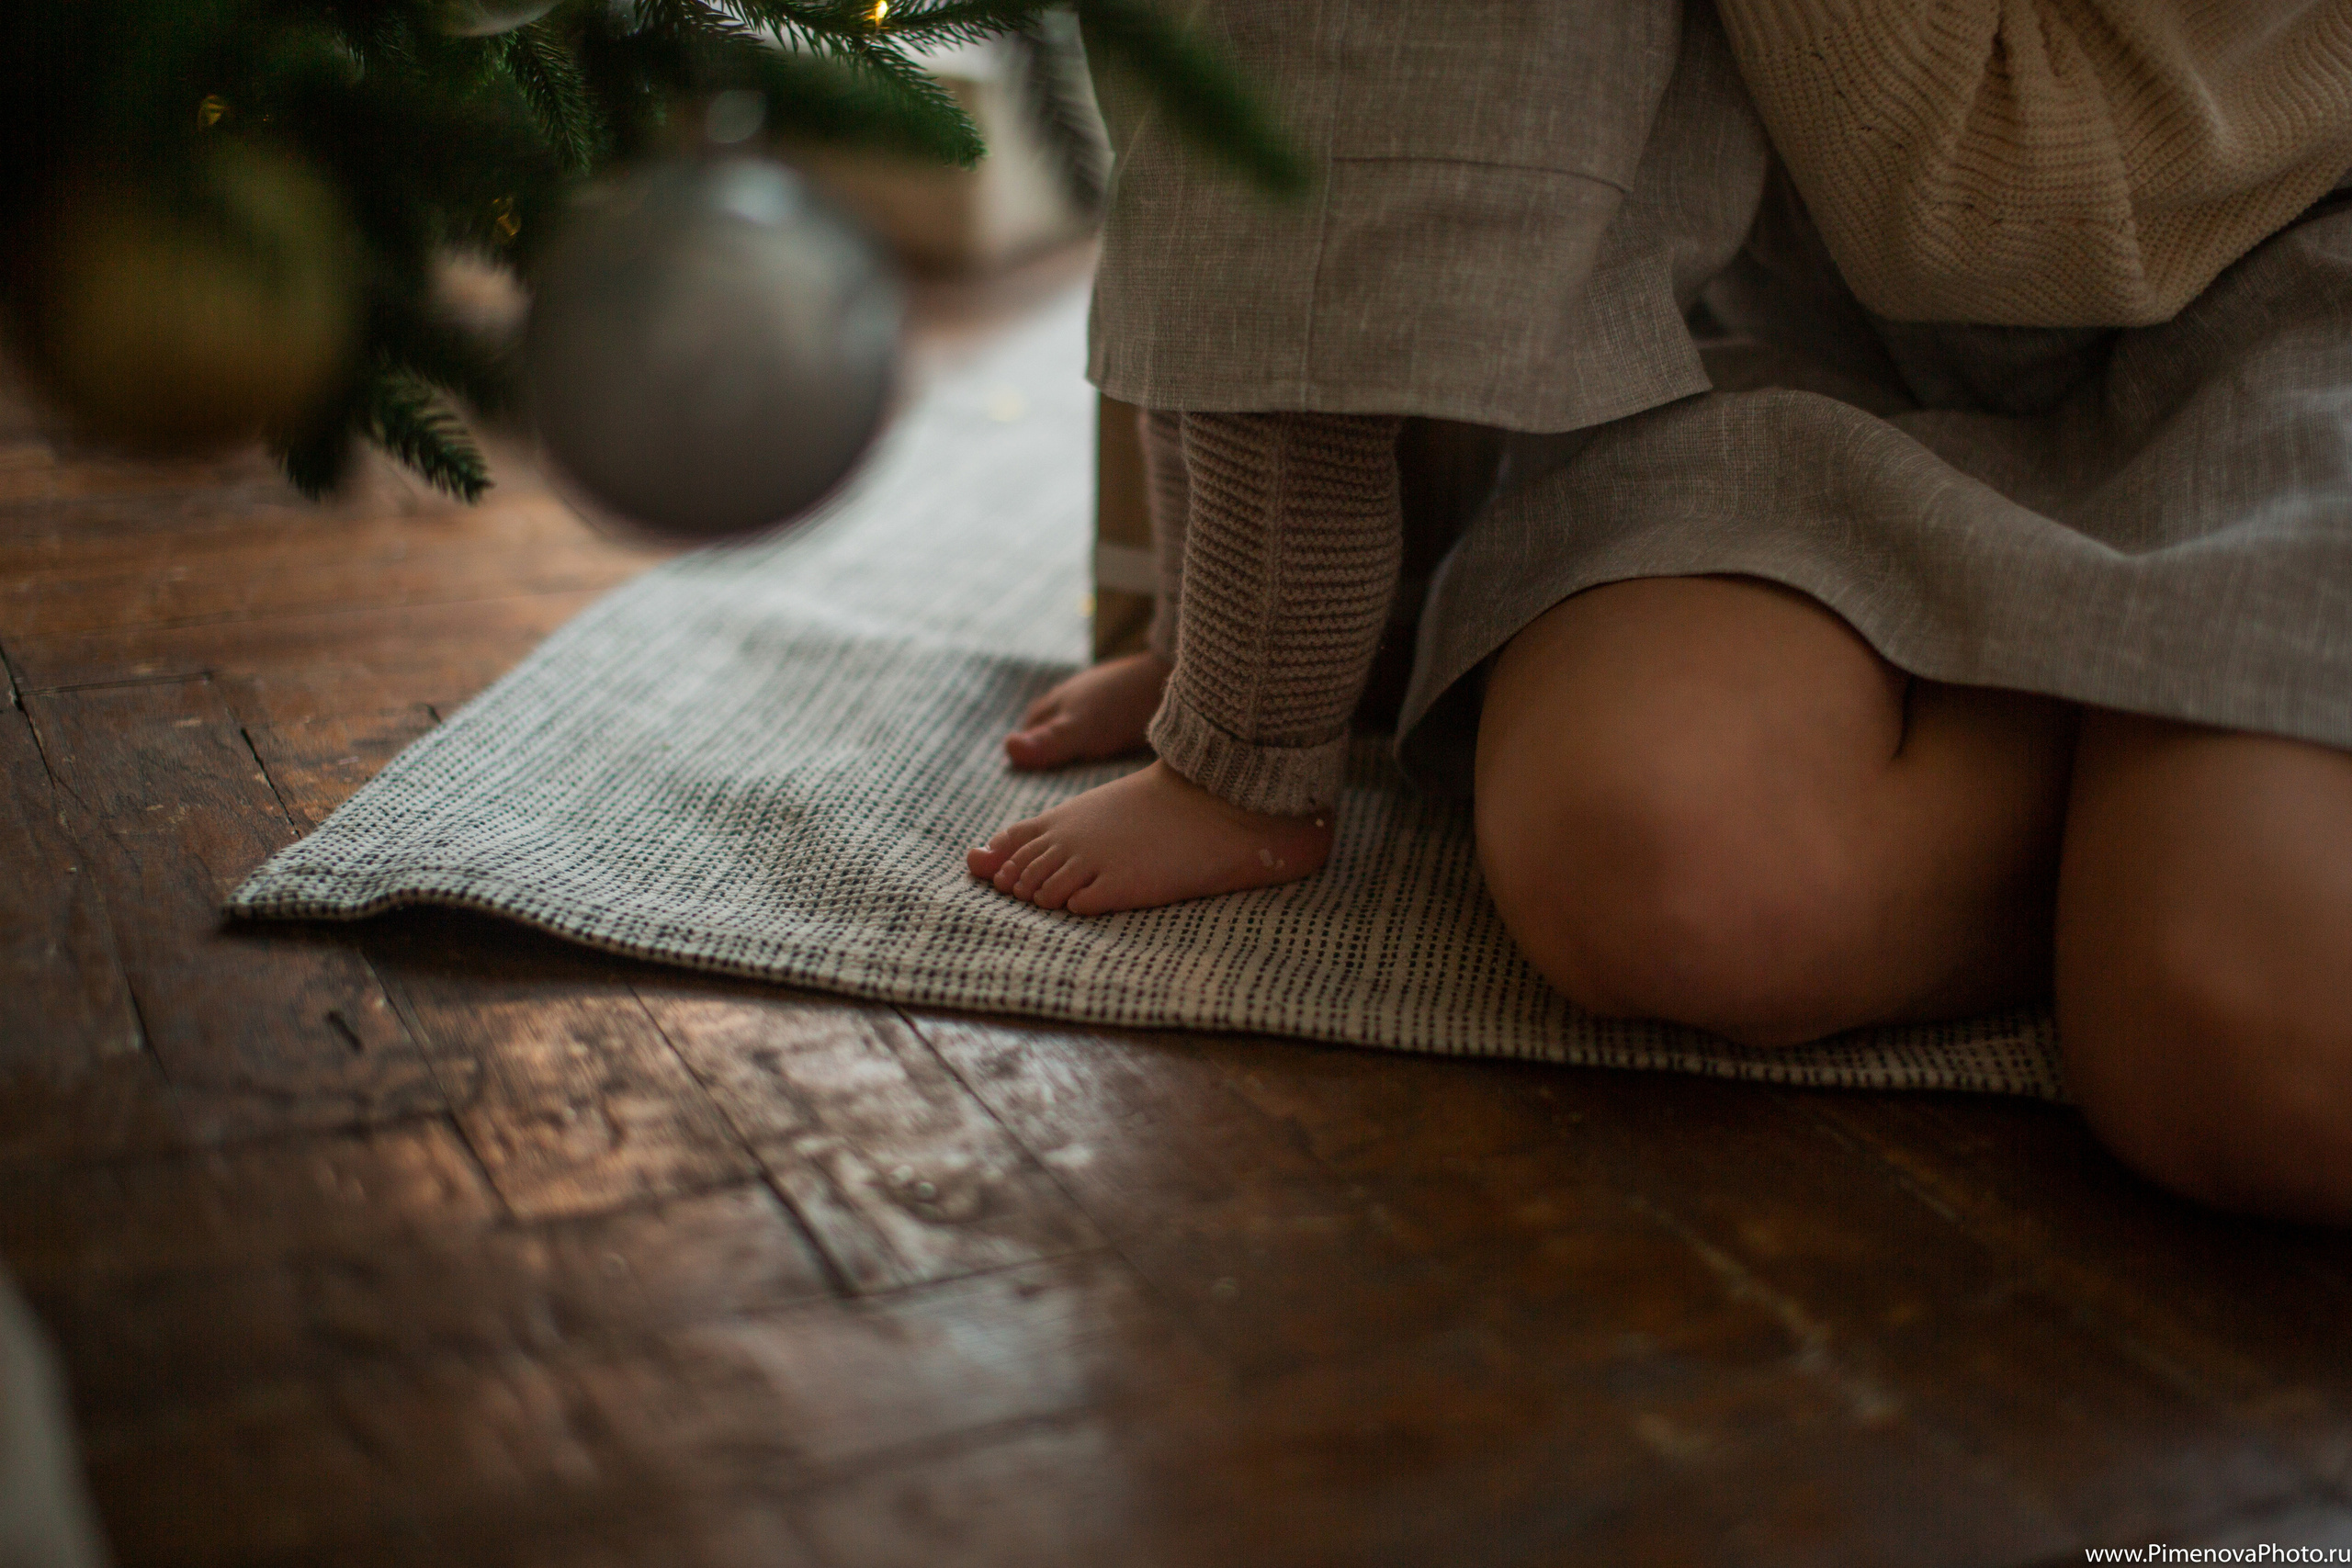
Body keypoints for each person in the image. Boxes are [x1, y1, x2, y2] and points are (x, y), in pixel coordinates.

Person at [974, 0, 2352, 1221]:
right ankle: (2151, 779)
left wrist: (1253, 713)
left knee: (2256, 1043)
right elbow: (1326, 125)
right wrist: (1222, 645)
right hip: (1809, 309)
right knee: (1682, 879)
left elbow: (2011, 200)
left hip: (2291, 273)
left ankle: (2164, 797)